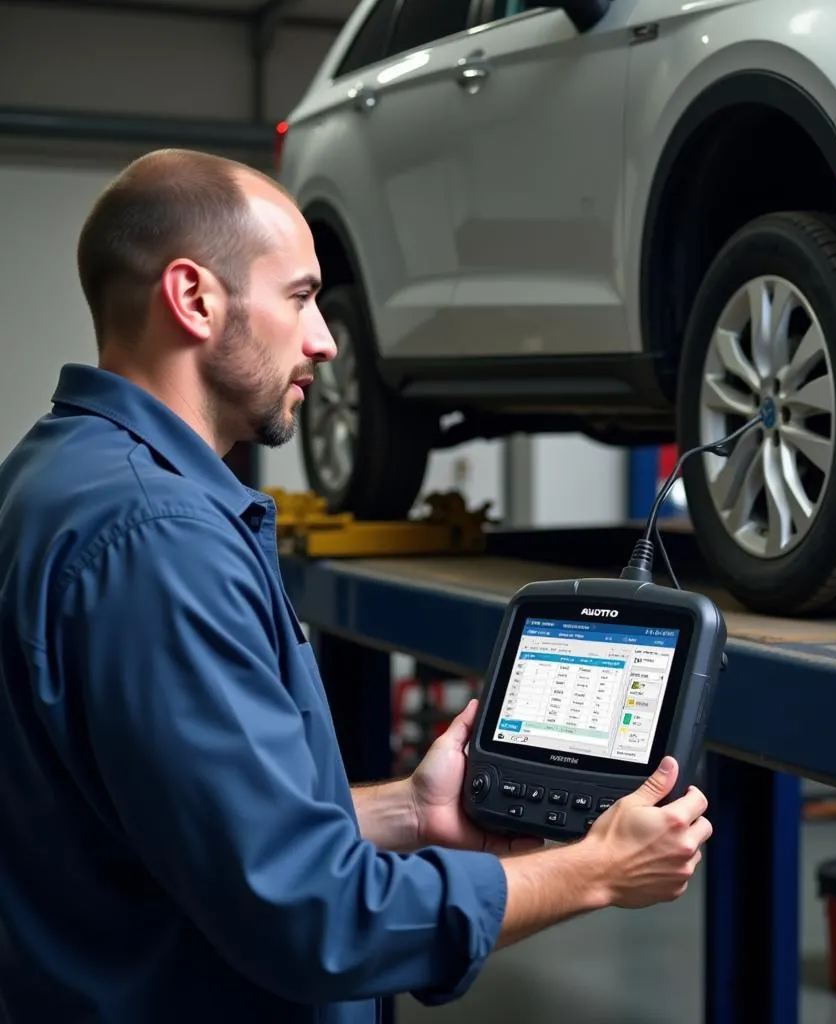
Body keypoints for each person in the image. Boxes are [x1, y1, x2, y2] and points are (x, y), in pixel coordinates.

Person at [0, 149, 713, 1024]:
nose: (326, 340)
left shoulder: (63, 476)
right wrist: (591, 871)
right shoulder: (157, 541)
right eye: (300, 298)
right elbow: (314, 917)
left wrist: (411, 809)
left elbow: (190, 823)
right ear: (193, 299)